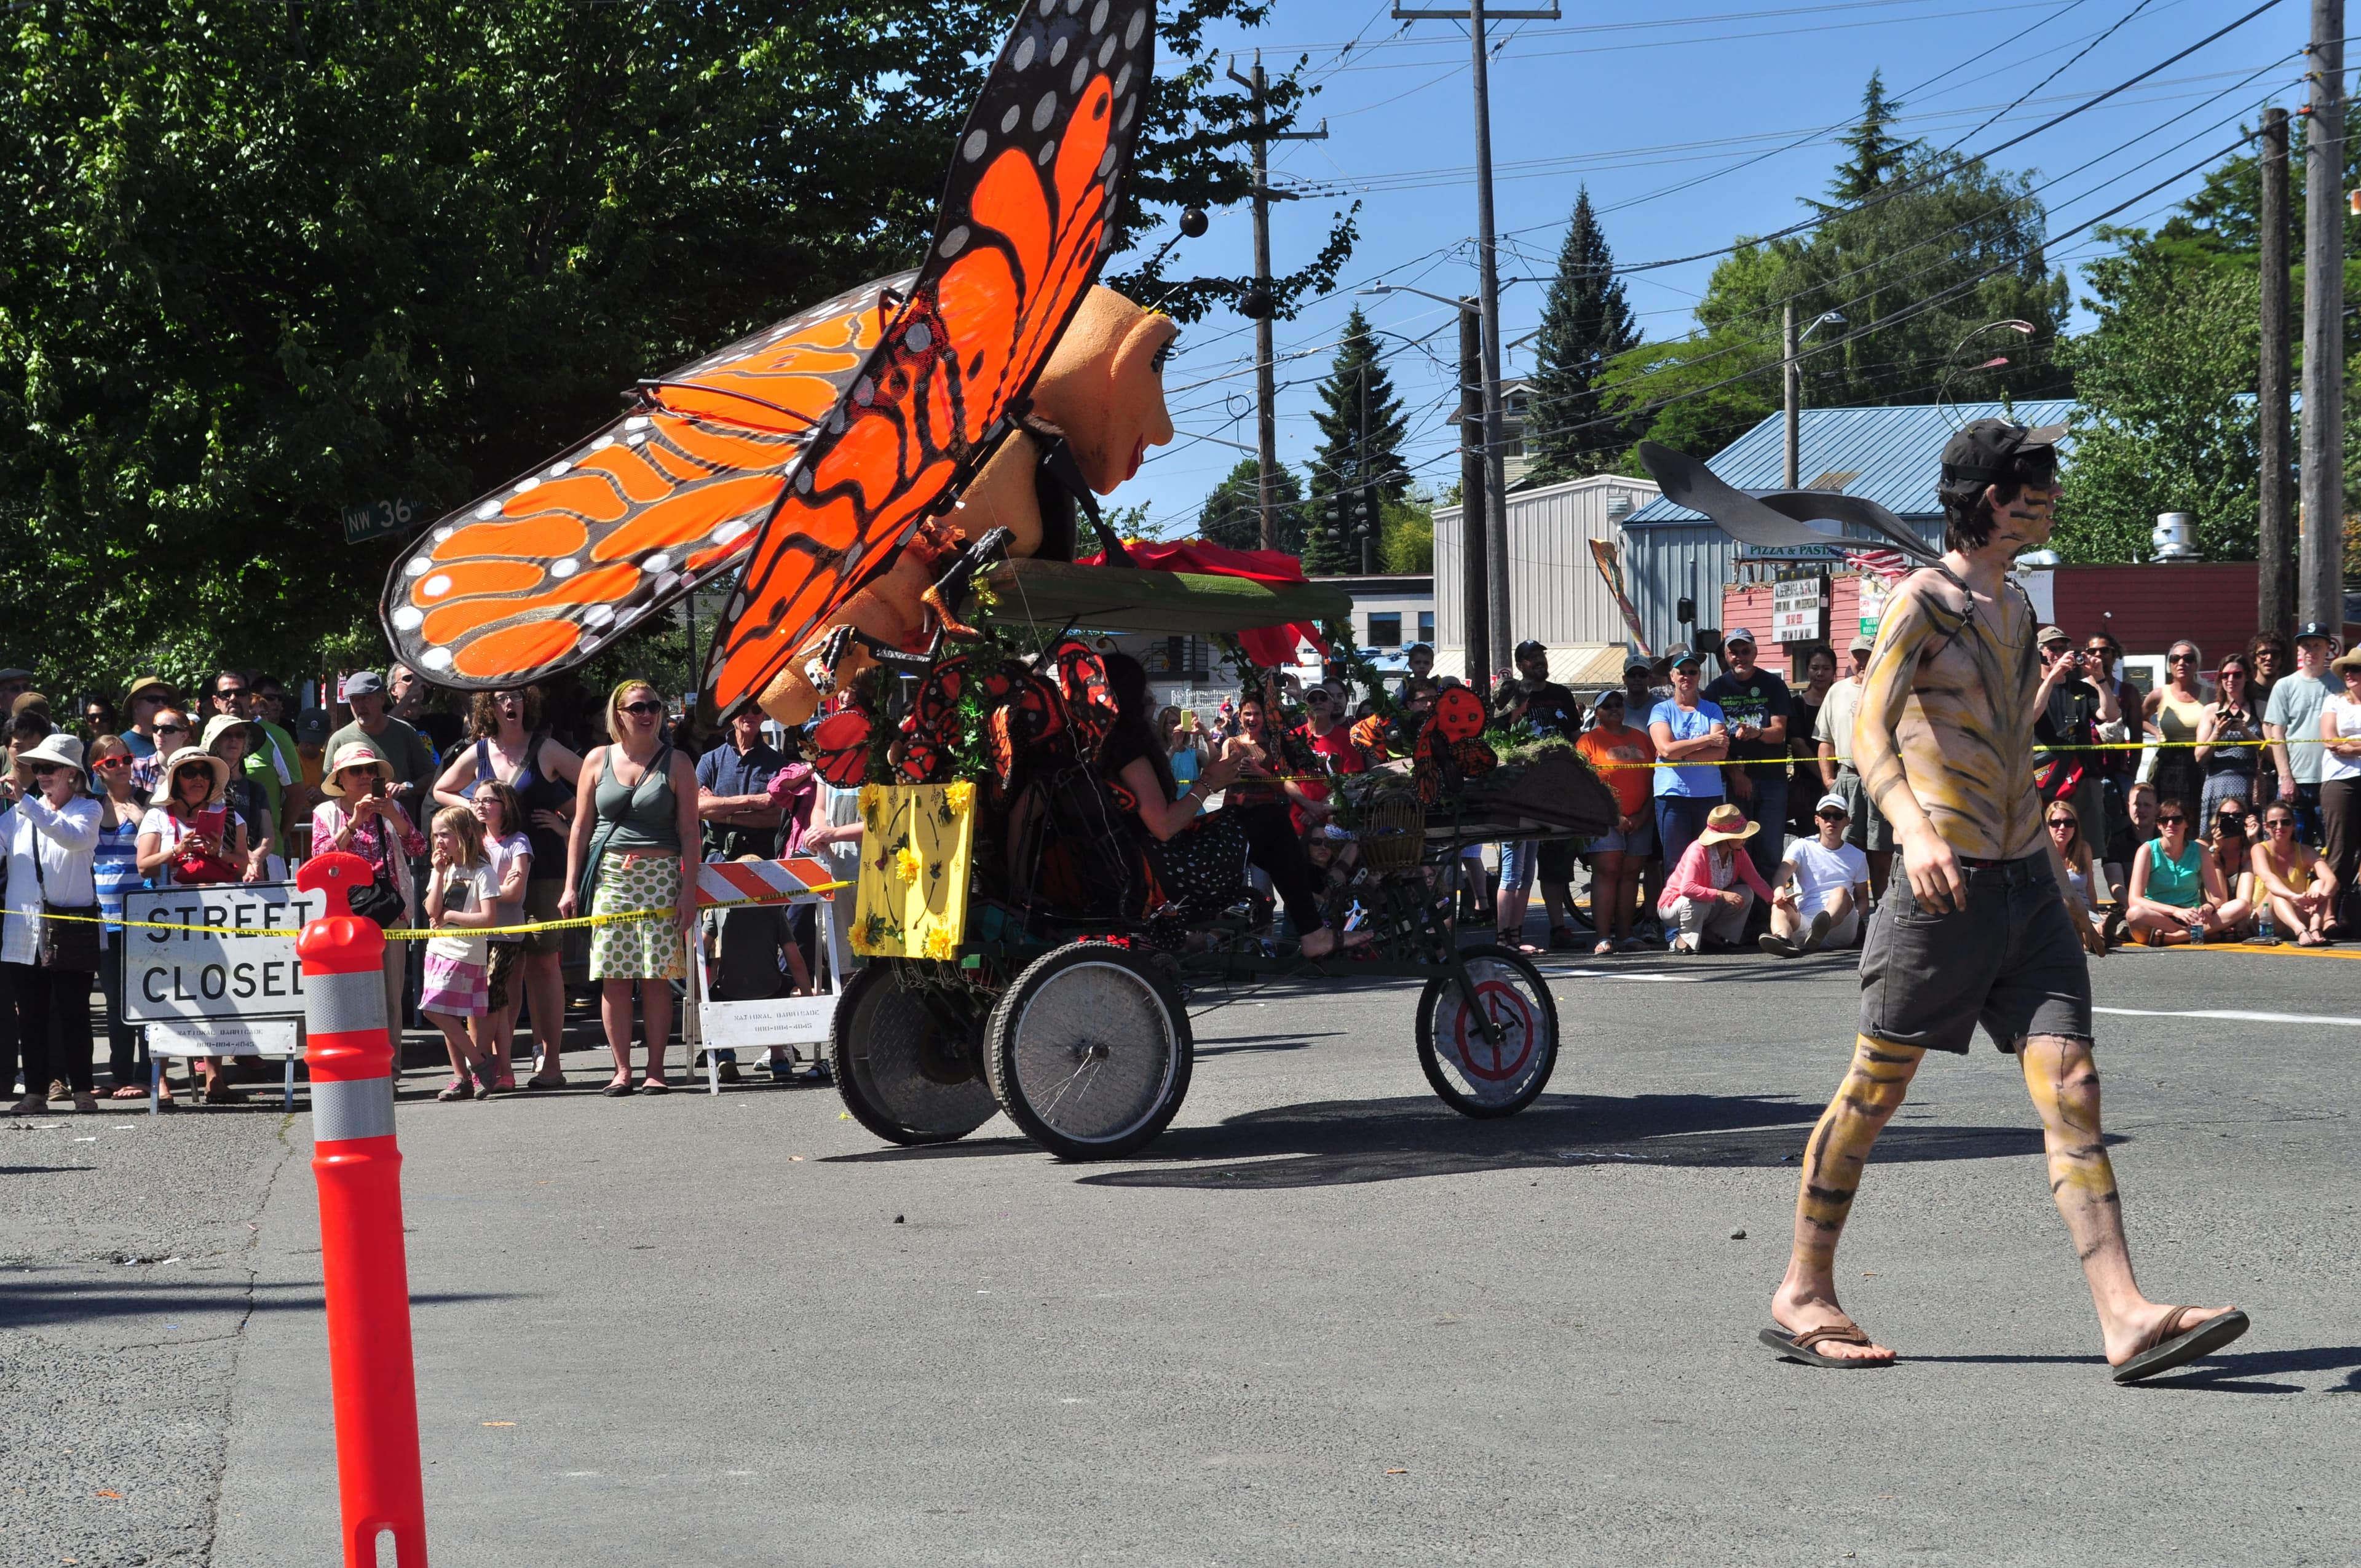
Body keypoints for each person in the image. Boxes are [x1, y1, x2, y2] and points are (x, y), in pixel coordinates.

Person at [1766, 417, 2240, 1381]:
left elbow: (2012, 754)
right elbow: (1868, 731)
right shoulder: (1921, 602)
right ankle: (1803, 1287)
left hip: (2027, 882)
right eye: (2038, 483)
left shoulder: (2015, 606)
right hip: (1943, 891)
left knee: (2073, 1087)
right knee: (1874, 1091)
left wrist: (2066, 888)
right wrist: (1914, 825)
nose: (2052, 496)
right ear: (1993, 498)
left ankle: (2125, 1314)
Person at [429, 686, 581, 1080]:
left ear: (527, 703)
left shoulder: (545, 748)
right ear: (488, 706)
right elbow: (440, 789)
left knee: (545, 965)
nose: (509, 704)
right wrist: (473, 808)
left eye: (516, 697)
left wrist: (568, 829)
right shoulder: (480, 751)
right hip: (488, 872)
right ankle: (503, 1067)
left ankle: (551, 1063)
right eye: (500, 698)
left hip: (543, 868)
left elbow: (597, 782)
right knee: (498, 973)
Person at [559, 679, 699, 1096]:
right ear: (617, 715)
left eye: (653, 706)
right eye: (637, 707)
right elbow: (581, 827)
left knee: (657, 977)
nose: (647, 714)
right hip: (612, 880)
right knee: (614, 977)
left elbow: (690, 832)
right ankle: (622, 1070)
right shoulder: (596, 760)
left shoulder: (678, 764)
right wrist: (570, 886)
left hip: (661, 879)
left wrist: (688, 891)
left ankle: (656, 1069)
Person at [1097, 654, 1261, 948]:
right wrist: (1209, 783)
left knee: (1257, 819)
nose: (1152, 700)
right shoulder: (1127, 750)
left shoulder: (1102, 743)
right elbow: (1163, 826)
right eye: (1147, 698)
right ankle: (1311, 927)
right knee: (1257, 820)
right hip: (1162, 868)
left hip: (1144, 861)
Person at [136, 746, 262, 1103]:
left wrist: (215, 851)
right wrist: (179, 850)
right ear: (175, 780)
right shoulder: (158, 818)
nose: (198, 779)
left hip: (216, 917)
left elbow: (241, 865)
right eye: (190, 772)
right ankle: (160, 1080)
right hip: (167, 920)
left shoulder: (229, 817)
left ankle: (214, 1078)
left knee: (215, 992)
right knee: (163, 996)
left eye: (204, 773)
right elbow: (144, 865)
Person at [2, 734, 102, 1115]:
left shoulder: (87, 810)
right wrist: (20, 806)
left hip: (70, 929)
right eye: (37, 768)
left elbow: (72, 839)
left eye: (49, 768)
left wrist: (25, 802)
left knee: (75, 1012)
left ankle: (82, 1089)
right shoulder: (15, 817)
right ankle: (36, 1092)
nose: (41, 775)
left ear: (71, 774)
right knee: (31, 1014)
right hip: (23, 933)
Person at [1222, 687, 1360, 953]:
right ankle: (1249, 945)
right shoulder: (1243, 742)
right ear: (1239, 716)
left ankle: (1294, 942)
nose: (1252, 718)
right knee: (1250, 889)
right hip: (1254, 822)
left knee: (1301, 886)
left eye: (1258, 713)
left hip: (1296, 822)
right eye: (1247, 714)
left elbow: (1285, 782)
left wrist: (1321, 808)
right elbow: (1280, 779)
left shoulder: (1279, 743)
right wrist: (1307, 805)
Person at [311, 745, 424, 1062]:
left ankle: (390, 1069)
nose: (365, 776)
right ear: (341, 779)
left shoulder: (392, 808)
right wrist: (354, 822)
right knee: (349, 994)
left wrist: (392, 815)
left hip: (391, 912)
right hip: (344, 915)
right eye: (356, 771)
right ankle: (355, 1063)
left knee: (390, 997)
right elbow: (322, 860)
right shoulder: (326, 814)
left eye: (370, 770)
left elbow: (418, 848)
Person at [421, 806, 505, 1101]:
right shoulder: (443, 869)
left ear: (466, 833)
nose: (439, 841)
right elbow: (432, 911)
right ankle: (464, 1075)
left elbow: (488, 919)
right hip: (438, 948)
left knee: (434, 1009)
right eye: (435, 835)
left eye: (445, 834)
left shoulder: (482, 872)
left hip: (465, 952)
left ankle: (479, 1063)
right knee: (445, 1015)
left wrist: (452, 916)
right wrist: (438, 873)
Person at [86, 735, 153, 1099]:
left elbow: (162, 847)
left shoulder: (146, 801)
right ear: (98, 769)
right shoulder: (92, 807)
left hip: (142, 916)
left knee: (145, 996)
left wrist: (143, 820)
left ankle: (146, 1075)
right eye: (112, 762)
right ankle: (119, 1073)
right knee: (113, 1000)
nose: (123, 765)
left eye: (126, 758)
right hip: (104, 918)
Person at [1701, 628, 1792, 893]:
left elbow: (1779, 733)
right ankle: (1741, 914)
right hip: (1734, 782)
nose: (1740, 657)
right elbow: (1713, 741)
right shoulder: (1716, 689)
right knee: (1736, 849)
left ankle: (1769, 914)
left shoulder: (1773, 685)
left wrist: (1758, 732)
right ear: (1726, 656)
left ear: (1755, 652)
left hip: (1772, 780)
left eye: (1745, 651)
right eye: (1734, 652)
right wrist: (1736, 775)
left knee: (1769, 850)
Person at [2030, 625, 2118, 871]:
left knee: (2086, 840)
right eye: (2053, 649)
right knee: (2045, 839)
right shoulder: (2028, 686)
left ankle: (2085, 896)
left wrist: (2099, 678)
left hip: (2083, 774)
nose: (2060, 653)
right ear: (2039, 653)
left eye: (2064, 648)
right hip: (2045, 777)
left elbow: (2110, 714)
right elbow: (2031, 716)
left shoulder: (2082, 688)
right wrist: (2053, 676)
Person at [1575, 689, 1656, 956]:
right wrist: (1615, 817)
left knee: (1631, 874)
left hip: (1640, 818)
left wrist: (1643, 815)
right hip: (1605, 819)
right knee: (1607, 873)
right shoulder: (1588, 742)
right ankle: (1603, 937)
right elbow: (1584, 788)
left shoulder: (1642, 739)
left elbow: (1656, 778)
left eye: (1618, 704)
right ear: (1597, 713)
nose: (1614, 709)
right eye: (1607, 705)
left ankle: (1625, 935)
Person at [1816, 635, 1894, 901]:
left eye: (1867, 655)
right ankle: (1847, 917)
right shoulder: (1837, 691)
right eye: (1857, 655)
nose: (1862, 661)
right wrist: (1829, 780)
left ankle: (1881, 913)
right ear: (1849, 659)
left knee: (1881, 852)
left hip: (1882, 779)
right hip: (1847, 779)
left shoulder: (1890, 688)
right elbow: (1825, 740)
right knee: (1844, 852)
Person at [470, 783, 534, 1090]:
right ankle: (493, 1066)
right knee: (482, 1000)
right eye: (475, 800)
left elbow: (515, 893)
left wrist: (486, 893)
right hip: (475, 935)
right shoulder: (473, 843)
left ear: (505, 805)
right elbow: (471, 892)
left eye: (488, 800)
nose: (480, 806)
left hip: (506, 934)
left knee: (493, 997)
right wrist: (496, 889)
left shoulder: (518, 842)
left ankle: (493, 1065)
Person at [2124, 796, 2248, 945]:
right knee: (2135, 914)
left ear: (2186, 823)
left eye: (2177, 820)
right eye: (2164, 820)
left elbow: (2218, 897)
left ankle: (2177, 937)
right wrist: (2175, 912)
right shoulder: (2147, 850)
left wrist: (2208, 907)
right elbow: (2135, 899)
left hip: (2193, 915)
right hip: (2159, 915)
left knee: (2241, 905)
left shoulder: (2201, 851)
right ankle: (2202, 935)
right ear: (2159, 825)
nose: (2170, 824)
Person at [1648, 651, 1729, 877]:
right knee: (1676, 863)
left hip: (1707, 795)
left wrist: (1680, 754)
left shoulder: (1712, 709)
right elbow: (1665, 748)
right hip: (1671, 795)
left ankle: (1704, 912)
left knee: (1706, 859)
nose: (1687, 676)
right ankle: (1676, 913)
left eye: (1692, 672)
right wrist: (1705, 741)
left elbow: (1720, 751)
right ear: (1671, 676)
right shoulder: (1661, 710)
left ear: (1699, 676)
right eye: (1681, 672)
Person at [1760, 793, 1870, 957]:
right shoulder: (1801, 846)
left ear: (1847, 821)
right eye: (1826, 815)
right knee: (1779, 905)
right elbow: (1782, 874)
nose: (1831, 821)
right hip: (1806, 922)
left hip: (1842, 926)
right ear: (1817, 820)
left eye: (1838, 816)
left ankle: (1823, 925)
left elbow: (1862, 898)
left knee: (1840, 891)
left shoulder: (1857, 855)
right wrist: (1779, 893)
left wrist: (1855, 914)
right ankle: (1782, 939)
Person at [2264, 622, 2342, 847]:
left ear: (2329, 648)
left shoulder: (2340, 687)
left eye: (2317, 645)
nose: (2312, 651)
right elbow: (2276, 733)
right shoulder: (2284, 686)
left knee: (2335, 849)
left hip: (2332, 779)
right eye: (2306, 645)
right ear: (2299, 650)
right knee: (2291, 849)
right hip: (2296, 782)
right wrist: (2285, 777)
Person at [1656, 802, 1772, 954]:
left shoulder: (1738, 853)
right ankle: (1683, 939)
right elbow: (1687, 889)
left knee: (1746, 893)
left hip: (1706, 904)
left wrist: (1775, 900)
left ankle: (1714, 936)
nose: (1745, 839)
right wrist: (1721, 894)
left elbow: (1756, 881)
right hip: (1674, 906)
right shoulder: (1698, 851)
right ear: (1725, 838)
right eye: (1740, 835)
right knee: (1698, 902)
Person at [328, 671, 437, 822]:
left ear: (381, 699)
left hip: (400, 831)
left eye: (366, 699)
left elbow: (432, 776)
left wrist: (406, 788)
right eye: (354, 700)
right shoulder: (339, 739)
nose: (360, 706)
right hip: (355, 834)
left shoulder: (405, 732)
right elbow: (329, 792)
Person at [695, 700, 788, 861]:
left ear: (763, 715)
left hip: (765, 861)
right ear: (731, 715)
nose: (750, 715)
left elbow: (779, 817)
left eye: (757, 710)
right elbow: (696, 808)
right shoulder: (710, 761)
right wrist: (751, 801)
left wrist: (721, 813)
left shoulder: (780, 765)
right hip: (718, 859)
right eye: (743, 709)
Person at [202, 714, 279, 879]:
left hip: (253, 875)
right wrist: (246, 859)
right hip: (216, 871)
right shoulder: (204, 787)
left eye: (240, 735)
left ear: (246, 743)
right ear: (215, 742)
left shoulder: (256, 788)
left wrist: (255, 860)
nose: (234, 740)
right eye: (227, 735)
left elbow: (268, 836)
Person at [2250, 801, 2339, 946]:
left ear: (2294, 825)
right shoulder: (2259, 849)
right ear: (2266, 827)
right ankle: (2301, 931)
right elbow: (2268, 878)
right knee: (2276, 892)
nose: (2279, 827)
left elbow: (2331, 879)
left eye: (2285, 822)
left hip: (2298, 914)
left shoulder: (2306, 851)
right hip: (2266, 921)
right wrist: (2292, 897)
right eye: (2273, 823)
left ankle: (2315, 928)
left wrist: (2322, 896)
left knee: (2320, 883)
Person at [2194, 652, 2263, 821]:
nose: (2231, 680)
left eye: (2237, 675)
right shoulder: (2211, 710)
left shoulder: (2260, 708)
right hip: (2217, 786)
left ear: (2247, 677)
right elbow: (2199, 757)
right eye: (2225, 675)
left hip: (2250, 786)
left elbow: (2272, 752)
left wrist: (2247, 733)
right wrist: (2217, 733)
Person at [2045, 798, 2121, 949]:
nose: (2062, 828)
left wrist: (2094, 912)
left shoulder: (2084, 849)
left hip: (2085, 910)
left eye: (2069, 823)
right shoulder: (2041, 853)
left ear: (2076, 827)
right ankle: (2097, 937)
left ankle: (2098, 933)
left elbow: (2090, 888)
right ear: (2047, 826)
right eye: (2055, 823)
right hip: (2057, 910)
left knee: (2087, 921)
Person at [2321, 648, 2361, 931]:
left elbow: (2344, 745)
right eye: (2346, 669)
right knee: (2339, 848)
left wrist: (2352, 746)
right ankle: (2328, 913)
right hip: (2340, 779)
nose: (2349, 674)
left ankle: (2353, 913)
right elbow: (2330, 741)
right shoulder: (2333, 702)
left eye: (2356, 669)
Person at [2145, 639, 2210, 812]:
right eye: (2175, 659)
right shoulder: (2159, 694)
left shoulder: (2210, 694)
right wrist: (2156, 733)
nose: (2182, 663)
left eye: (2188, 658)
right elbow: (2139, 719)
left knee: (2197, 815)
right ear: (2170, 665)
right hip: (2167, 765)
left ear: (2197, 664)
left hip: (2200, 764)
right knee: (2167, 815)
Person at [1787, 646, 1838, 838]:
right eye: (1814, 668)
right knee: (1811, 839)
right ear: (1807, 670)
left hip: (1840, 781)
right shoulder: (1797, 704)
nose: (1820, 673)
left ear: (1834, 671)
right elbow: (1799, 745)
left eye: (1826, 668)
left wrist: (1834, 781)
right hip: (1808, 786)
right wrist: (1825, 777)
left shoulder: (1843, 701)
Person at [2205, 801, 2259, 941]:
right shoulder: (2204, 845)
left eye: (2237, 816)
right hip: (2215, 909)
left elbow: (2265, 870)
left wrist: (2254, 839)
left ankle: (2240, 924)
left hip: (2243, 910)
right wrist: (2215, 851)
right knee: (2213, 864)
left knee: (2251, 863)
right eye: (2224, 816)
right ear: (2217, 820)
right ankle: (2222, 928)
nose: (2231, 820)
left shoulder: (2250, 851)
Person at [388, 661, 464, 759]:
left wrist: (454, 685)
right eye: (408, 678)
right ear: (394, 690)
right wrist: (410, 696)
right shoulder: (390, 722)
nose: (415, 683)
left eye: (420, 679)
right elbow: (385, 729)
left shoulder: (438, 723)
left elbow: (474, 723)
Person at [128, 708, 194, 798]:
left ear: (184, 735)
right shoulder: (137, 767)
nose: (159, 733)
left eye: (168, 729)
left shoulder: (195, 770)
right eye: (156, 728)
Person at [120, 675, 177, 761]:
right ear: (136, 706)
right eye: (153, 699)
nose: (161, 704)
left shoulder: (176, 738)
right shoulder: (120, 745)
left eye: (165, 700)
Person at [1161, 705, 1206, 793]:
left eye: (1181, 723)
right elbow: (1160, 770)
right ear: (1163, 727)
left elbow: (1217, 772)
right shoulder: (1157, 754)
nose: (1178, 727)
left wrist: (1207, 735)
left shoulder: (1197, 754)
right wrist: (1173, 748)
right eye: (1172, 723)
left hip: (1193, 805)